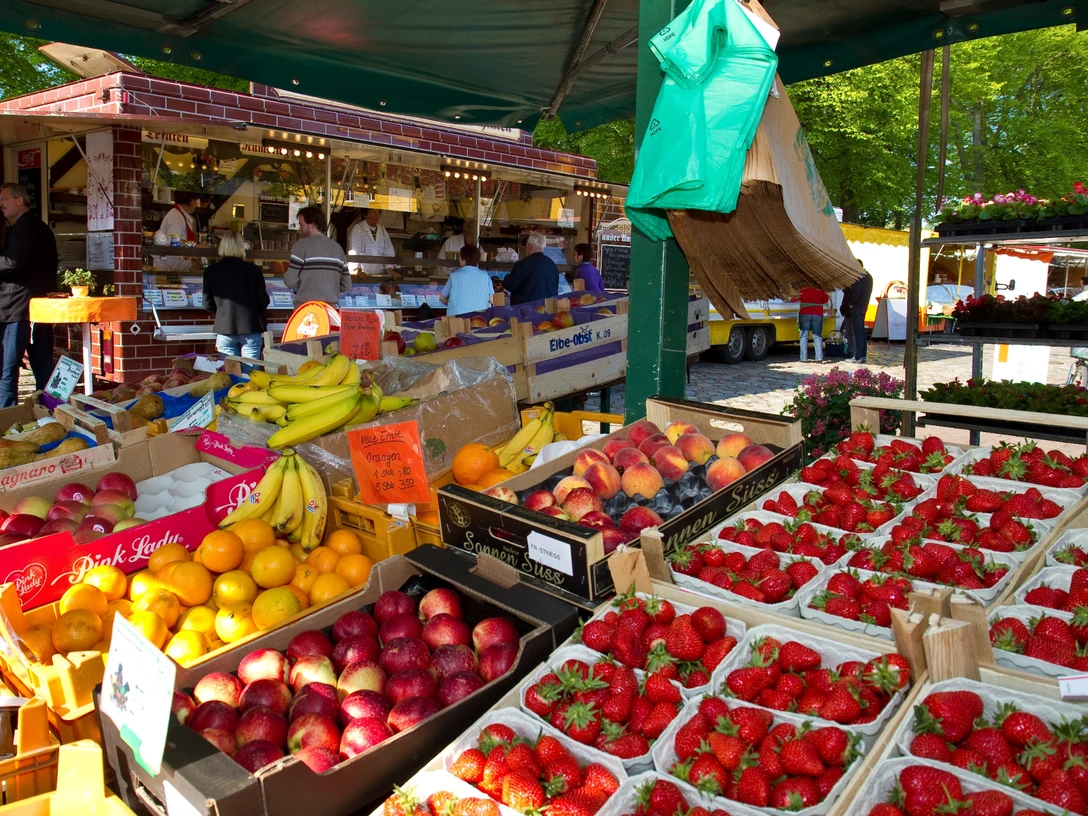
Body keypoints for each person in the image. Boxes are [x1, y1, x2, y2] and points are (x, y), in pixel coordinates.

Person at [0, 183, 58, 406]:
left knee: (8, 365)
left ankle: (6, 414)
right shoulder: (38, 227)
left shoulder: (25, 227)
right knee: (42, 363)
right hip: (38, 304)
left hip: (18, 305)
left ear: (19, 200)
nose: (1, 204)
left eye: (4, 198)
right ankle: (48, 407)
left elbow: (12, 262)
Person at [203, 231, 269, 363]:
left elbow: (207, 304)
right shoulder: (253, 270)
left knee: (229, 374)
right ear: (241, 247)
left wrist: (223, 312)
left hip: (224, 328)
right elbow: (263, 300)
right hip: (251, 326)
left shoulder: (211, 271)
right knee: (250, 375)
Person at [284, 206, 351, 307]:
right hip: (330, 310)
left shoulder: (301, 245)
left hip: (306, 309)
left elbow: (290, 281)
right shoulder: (338, 248)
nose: (300, 229)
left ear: (312, 225)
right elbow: (346, 285)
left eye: (301, 224)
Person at [504, 231, 559, 305]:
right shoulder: (552, 264)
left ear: (529, 246)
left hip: (527, 311)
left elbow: (511, 285)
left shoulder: (523, 264)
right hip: (548, 311)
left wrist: (506, 279)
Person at [154, 191, 202, 272]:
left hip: (174, 268)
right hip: (168, 269)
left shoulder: (180, 215)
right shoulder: (176, 217)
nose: (196, 204)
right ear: (190, 200)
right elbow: (173, 242)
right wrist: (195, 245)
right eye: (196, 201)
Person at [441, 245, 494, 316]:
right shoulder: (485, 276)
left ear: (464, 260)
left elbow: (442, 298)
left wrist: (451, 305)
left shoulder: (454, 276)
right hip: (480, 317)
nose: (459, 259)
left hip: (456, 318)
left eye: (460, 257)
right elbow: (492, 299)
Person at [347, 208, 395, 277]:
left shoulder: (383, 230)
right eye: (373, 212)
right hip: (363, 274)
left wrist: (390, 269)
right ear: (365, 215)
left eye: (378, 212)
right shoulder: (358, 229)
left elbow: (388, 252)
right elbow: (354, 253)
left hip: (380, 273)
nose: (376, 215)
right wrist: (357, 270)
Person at [841, 265, 874, 363]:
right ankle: (863, 355)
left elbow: (855, 293)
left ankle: (858, 356)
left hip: (856, 307)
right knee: (862, 332)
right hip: (864, 306)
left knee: (858, 332)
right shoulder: (868, 276)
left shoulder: (858, 277)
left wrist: (851, 303)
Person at [797, 286, 829, 363]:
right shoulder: (820, 288)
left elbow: (793, 299)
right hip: (818, 313)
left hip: (805, 313)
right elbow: (826, 299)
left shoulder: (802, 288)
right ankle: (819, 358)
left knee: (804, 336)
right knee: (817, 336)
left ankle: (803, 358)